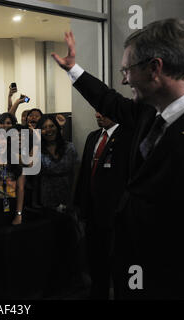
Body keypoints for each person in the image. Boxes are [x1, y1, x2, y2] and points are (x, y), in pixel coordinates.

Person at [52, 19, 184, 299]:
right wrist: (73, 70)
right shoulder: (150, 112)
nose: (124, 80)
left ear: (155, 68)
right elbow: (109, 99)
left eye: (127, 70)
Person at [74, 112, 133, 299]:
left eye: (104, 110)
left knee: (117, 261)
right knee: (95, 259)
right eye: (96, 110)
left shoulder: (128, 136)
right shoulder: (93, 137)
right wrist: (80, 205)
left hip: (115, 214)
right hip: (92, 212)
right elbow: (85, 172)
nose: (98, 115)